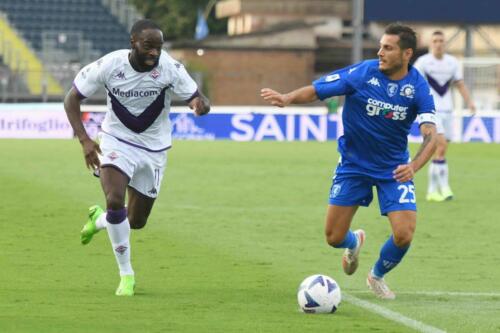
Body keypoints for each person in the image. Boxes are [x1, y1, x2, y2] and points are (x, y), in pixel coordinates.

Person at [261, 23, 437, 299]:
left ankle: (377, 275)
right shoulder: (362, 73)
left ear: (407, 54)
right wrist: (288, 98)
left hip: (394, 169)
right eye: (380, 46)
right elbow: (318, 90)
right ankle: (354, 242)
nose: (380, 52)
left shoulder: (417, 87)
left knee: (404, 233)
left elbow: (431, 136)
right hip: (353, 166)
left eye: (388, 48)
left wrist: (413, 166)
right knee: (333, 237)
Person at [64, 19, 210, 296]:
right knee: (115, 199)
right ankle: (126, 275)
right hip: (116, 141)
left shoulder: (170, 67)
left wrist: (200, 105)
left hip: (154, 149)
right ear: (133, 42)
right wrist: (84, 139)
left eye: (158, 47)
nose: (154, 52)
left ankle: (100, 221)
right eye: (148, 46)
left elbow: (198, 97)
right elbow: (71, 99)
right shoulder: (110, 65)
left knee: (136, 220)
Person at [414, 30, 476, 202]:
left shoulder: (452, 62)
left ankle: (433, 190)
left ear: (445, 43)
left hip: (448, 110)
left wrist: (469, 102)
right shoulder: (423, 62)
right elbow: (414, 83)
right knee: (439, 146)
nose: (438, 43)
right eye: (435, 40)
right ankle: (445, 188)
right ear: (431, 43)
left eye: (441, 40)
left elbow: (460, 84)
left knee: (440, 150)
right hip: (430, 111)